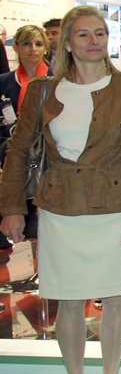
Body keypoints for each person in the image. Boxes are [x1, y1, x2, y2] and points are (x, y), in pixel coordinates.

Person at [0, 5, 121, 374]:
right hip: (60, 206)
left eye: (100, 33)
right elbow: (18, 151)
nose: (93, 41)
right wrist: (11, 207)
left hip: (115, 205)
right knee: (68, 301)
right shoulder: (43, 91)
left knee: (116, 297)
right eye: (83, 34)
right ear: (66, 42)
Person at [0, 25, 53, 267]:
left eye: (38, 44)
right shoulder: (4, 82)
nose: (33, 49)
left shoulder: (58, 81)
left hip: (49, 164)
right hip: (11, 158)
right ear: (16, 48)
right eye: (26, 44)